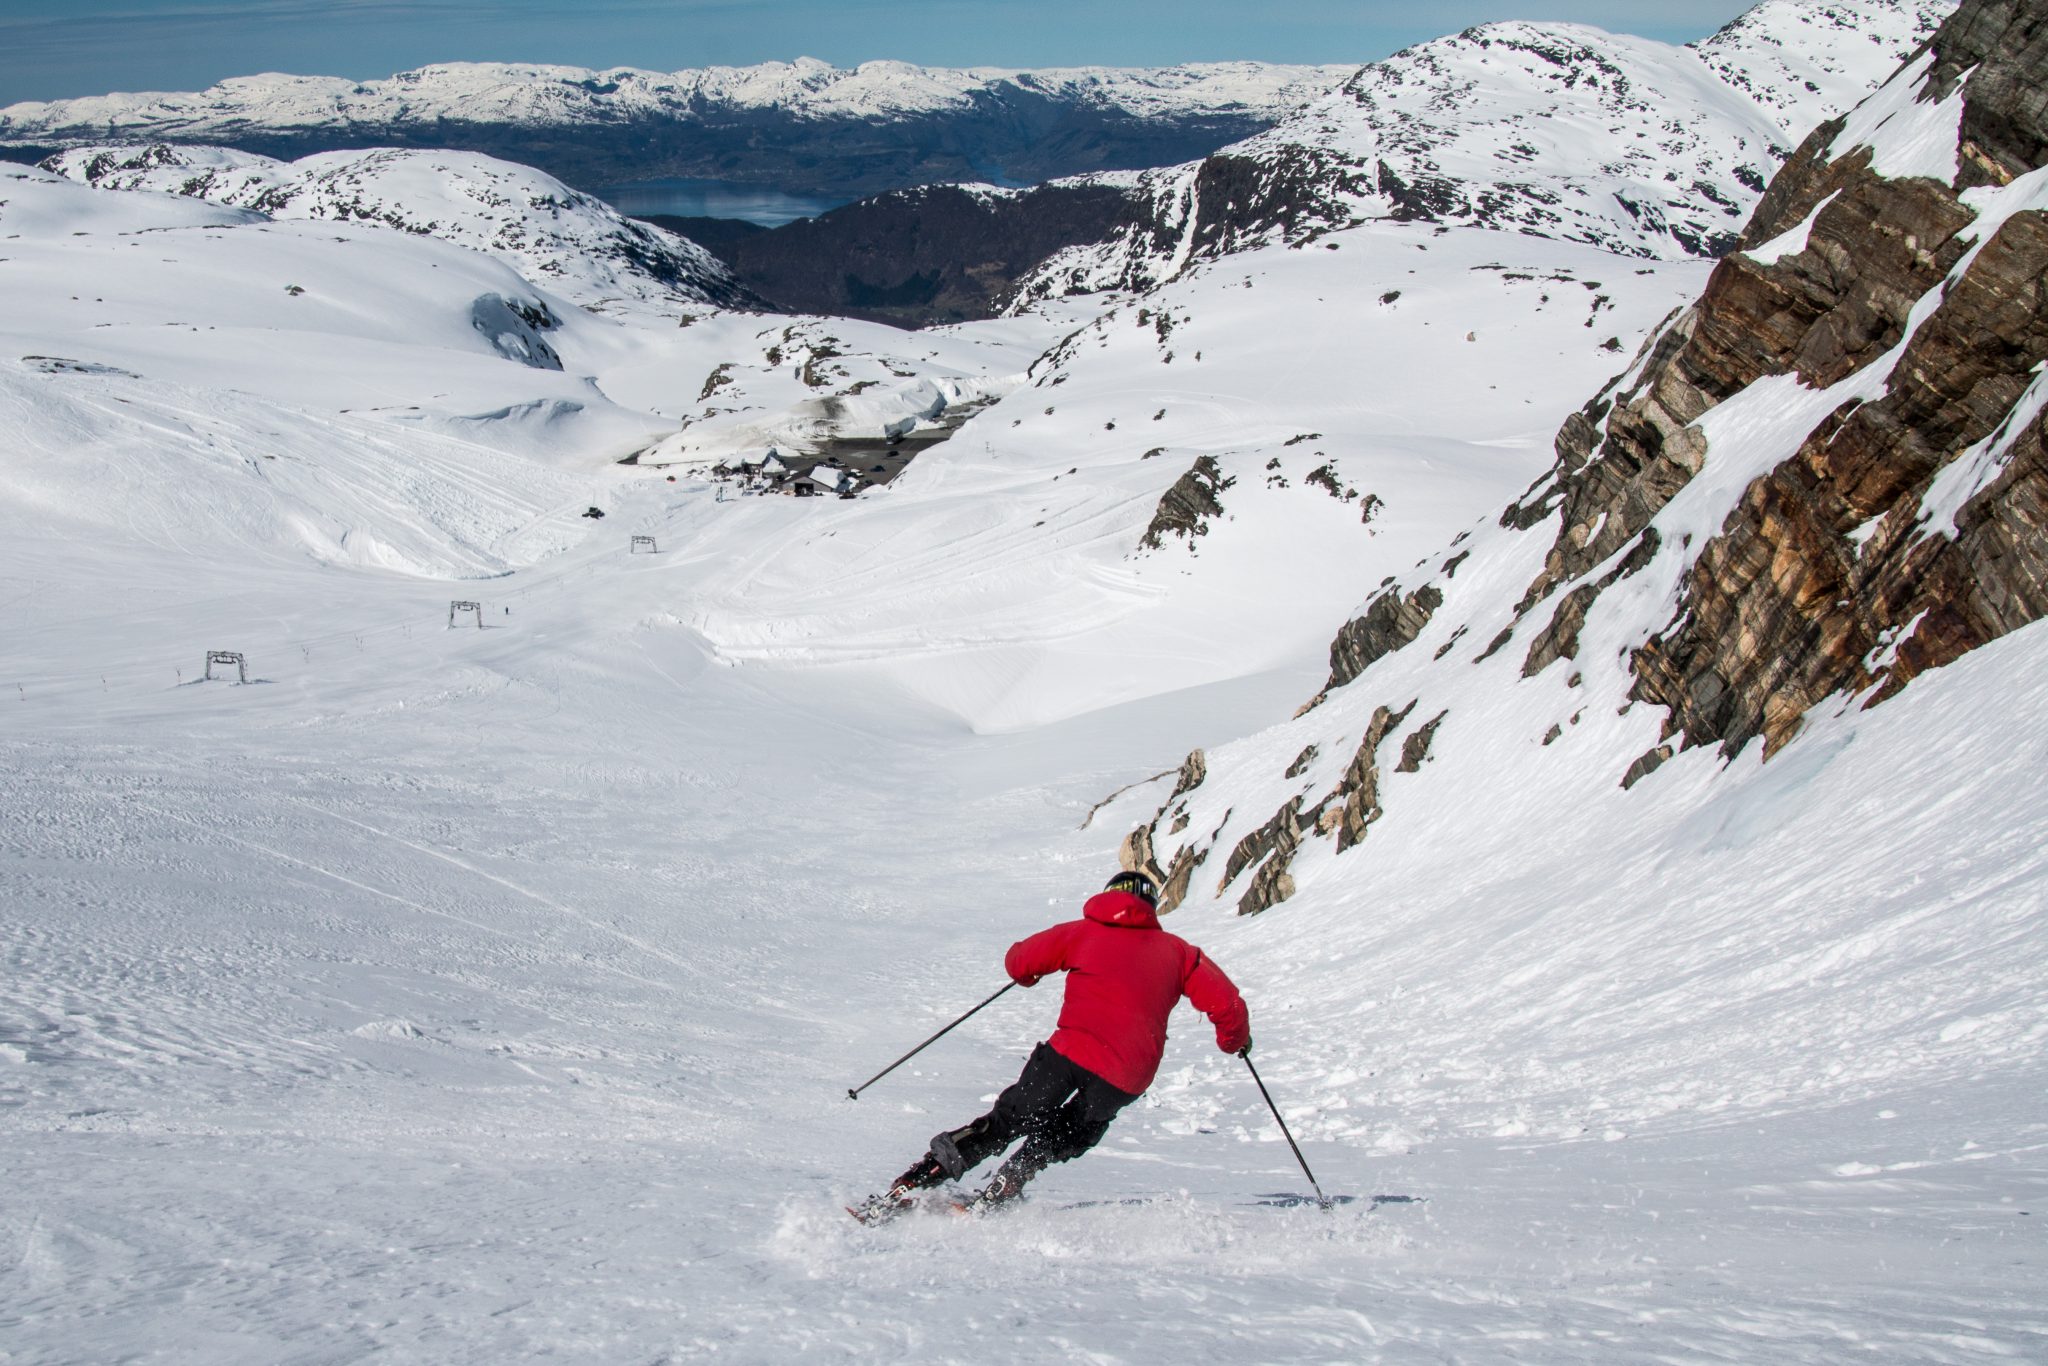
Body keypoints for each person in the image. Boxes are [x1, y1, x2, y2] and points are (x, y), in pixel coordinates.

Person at [877, 869, 1251, 1213]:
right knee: (1069, 1132)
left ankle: (920, 1178)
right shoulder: (1180, 953)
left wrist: (1030, 975)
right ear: (1151, 906)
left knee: (1008, 1121)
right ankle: (1012, 1179)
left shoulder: (1082, 932)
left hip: (1069, 1054)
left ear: (1108, 895)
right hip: (1126, 1075)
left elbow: (1019, 961)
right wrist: (1234, 1042)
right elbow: (1228, 1005)